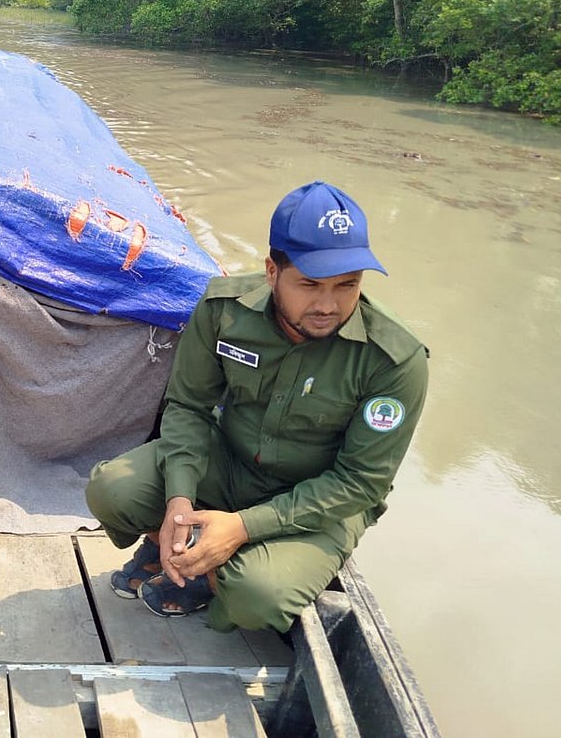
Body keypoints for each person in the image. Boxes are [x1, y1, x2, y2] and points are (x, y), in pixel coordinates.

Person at [86, 181, 429, 633]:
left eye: (348, 285)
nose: (329, 305)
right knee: (112, 490)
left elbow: (360, 482)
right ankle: (173, 543)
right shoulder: (221, 311)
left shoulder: (394, 360)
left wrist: (243, 528)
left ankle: (208, 575)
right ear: (272, 271)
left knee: (257, 597)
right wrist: (180, 501)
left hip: (319, 497)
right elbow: (188, 407)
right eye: (310, 284)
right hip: (229, 463)